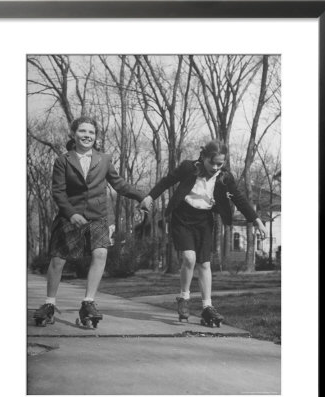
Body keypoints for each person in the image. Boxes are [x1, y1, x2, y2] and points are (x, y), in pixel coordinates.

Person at [139, 140, 267, 327]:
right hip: (182, 217)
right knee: (189, 258)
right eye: (212, 163)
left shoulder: (224, 177)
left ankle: (207, 307)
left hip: (204, 220)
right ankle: (184, 297)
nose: (215, 167)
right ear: (203, 157)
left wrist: (257, 220)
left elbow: (239, 198)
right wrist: (149, 197)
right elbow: (167, 181)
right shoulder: (188, 168)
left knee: (205, 264)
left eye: (220, 164)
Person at [33, 116, 145, 327]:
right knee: (58, 260)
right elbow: (58, 192)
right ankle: (49, 303)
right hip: (71, 216)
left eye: (91, 132)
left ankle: (88, 302)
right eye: (83, 131)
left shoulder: (103, 159)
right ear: (73, 134)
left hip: (97, 216)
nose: (87, 136)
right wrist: (70, 213)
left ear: (96, 136)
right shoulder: (63, 161)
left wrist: (141, 196)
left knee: (100, 253)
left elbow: (119, 184)